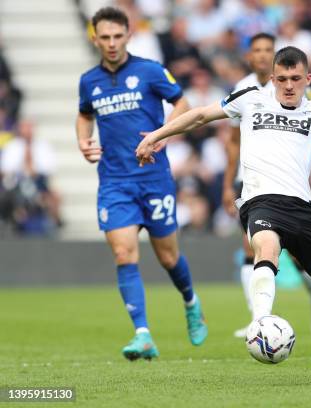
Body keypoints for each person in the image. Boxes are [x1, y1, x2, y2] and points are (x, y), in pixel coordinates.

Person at [137, 46, 311, 380]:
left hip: (303, 209)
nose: (288, 86)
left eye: (295, 79)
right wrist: (158, 136)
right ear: (272, 79)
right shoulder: (250, 99)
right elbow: (200, 115)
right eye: (282, 79)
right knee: (267, 248)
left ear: (308, 79)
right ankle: (261, 322)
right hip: (260, 200)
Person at [76, 7, 207, 361]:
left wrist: (164, 133)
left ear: (128, 35)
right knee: (123, 252)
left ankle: (191, 301)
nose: (112, 43)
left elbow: (184, 102)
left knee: (168, 256)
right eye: (105, 37)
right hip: (115, 181)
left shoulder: (149, 71)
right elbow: (85, 115)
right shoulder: (89, 81)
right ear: (95, 39)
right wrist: (83, 141)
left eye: (118, 36)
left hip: (154, 179)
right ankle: (143, 334)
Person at [221, 32, 311, 338]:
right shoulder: (243, 89)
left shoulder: (290, 86)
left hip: (288, 179)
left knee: (296, 253)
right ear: (249, 56)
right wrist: (229, 182)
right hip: (252, 178)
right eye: (258, 50)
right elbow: (232, 141)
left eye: (269, 49)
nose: (263, 54)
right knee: (251, 246)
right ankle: (259, 318)